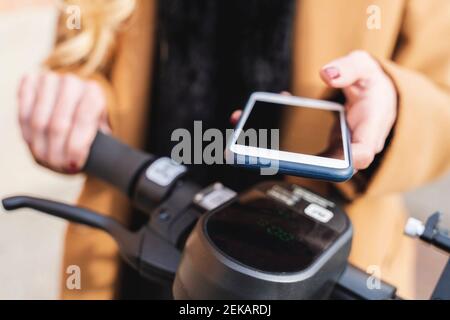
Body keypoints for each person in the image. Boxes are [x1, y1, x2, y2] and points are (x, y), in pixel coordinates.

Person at [17, 0, 450, 299]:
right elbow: (81, 55)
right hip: (139, 248)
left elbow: (441, 98)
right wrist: (74, 103)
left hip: (321, 270)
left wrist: (391, 106)